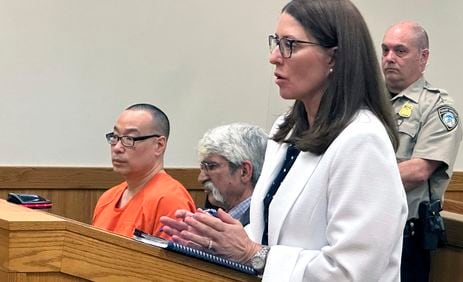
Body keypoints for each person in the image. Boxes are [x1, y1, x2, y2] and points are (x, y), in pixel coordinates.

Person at [160, 0, 408, 281]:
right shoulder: (287, 128)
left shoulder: (362, 141)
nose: (275, 56)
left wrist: (252, 253)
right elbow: (271, 232)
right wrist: (215, 243)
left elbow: (352, 271)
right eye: (276, 42)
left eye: (290, 44)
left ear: (334, 57)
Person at [381, 21, 463, 282]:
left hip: (405, 238)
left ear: (423, 57)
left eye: (400, 51)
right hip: (357, 229)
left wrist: (357, 179)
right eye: (385, 50)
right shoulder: (365, 101)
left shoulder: (437, 107)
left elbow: (419, 170)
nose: (389, 58)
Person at [93, 103, 196, 239]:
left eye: (129, 139)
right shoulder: (108, 198)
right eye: (115, 137)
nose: (117, 147)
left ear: (159, 145)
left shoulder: (169, 200)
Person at [198, 123, 267, 226]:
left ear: (244, 172)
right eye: (202, 168)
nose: (201, 178)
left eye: (211, 166)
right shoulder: (217, 218)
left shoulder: (263, 226)